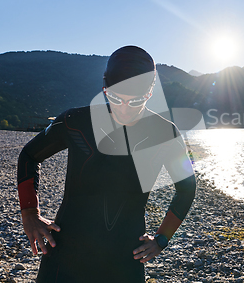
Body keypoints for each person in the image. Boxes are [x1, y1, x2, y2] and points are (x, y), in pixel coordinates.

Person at [17, 46, 196, 282]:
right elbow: (29, 155)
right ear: (104, 87)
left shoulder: (165, 134)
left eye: (136, 102)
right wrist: (29, 213)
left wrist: (162, 239)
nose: (124, 109)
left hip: (124, 261)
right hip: (65, 257)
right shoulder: (75, 122)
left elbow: (186, 188)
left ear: (150, 93)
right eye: (115, 98)